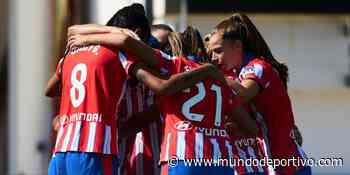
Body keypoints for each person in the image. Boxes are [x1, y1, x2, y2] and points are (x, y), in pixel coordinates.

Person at [68, 24, 260, 175]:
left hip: (183, 157)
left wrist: (87, 39)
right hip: (220, 161)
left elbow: (126, 42)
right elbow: (251, 128)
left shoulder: (174, 65)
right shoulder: (219, 81)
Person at [207, 13, 311, 175]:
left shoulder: (258, 67)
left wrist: (212, 73)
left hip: (290, 166)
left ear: (237, 46)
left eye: (218, 51)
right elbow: (253, 127)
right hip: (272, 164)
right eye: (210, 53)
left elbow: (243, 94)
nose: (213, 58)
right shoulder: (236, 74)